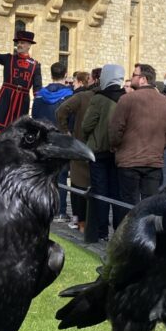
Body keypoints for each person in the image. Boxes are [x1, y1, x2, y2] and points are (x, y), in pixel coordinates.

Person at [109, 63, 166, 222]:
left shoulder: (126, 99)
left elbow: (115, 130)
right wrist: (158, 145)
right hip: (152, 160)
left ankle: (127, 237)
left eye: (134, 75)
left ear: (143, 79)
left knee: (128, 203)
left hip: (129, 159)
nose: (132, 77)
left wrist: (117, 146)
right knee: (150, 204)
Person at [82, 63, 125, 241]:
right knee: (116, 192)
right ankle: (117, 227)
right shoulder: (126, 98)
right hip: (119, 152)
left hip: (99, 152)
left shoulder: (98, 99)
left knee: (100, 192)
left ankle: (101, 231)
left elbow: (86, 125)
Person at [55, 69, 99, 231]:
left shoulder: (83, 97)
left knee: (78, 185)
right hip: (101, 148)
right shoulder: (115, 98)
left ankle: (80, 220)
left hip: (81, 145)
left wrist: (66, 132)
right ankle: (93, 223)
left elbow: (61, 111)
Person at [31, 62, 74, 220]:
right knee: (61, 177)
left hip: (43, 139)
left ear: (51, 73)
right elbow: (71, 119)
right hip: (61, 139)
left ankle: (41, 207)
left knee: (43, 175)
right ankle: (59, 210)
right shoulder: (70, 95)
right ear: (65, 73)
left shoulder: (40, 95)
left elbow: (35, 117)